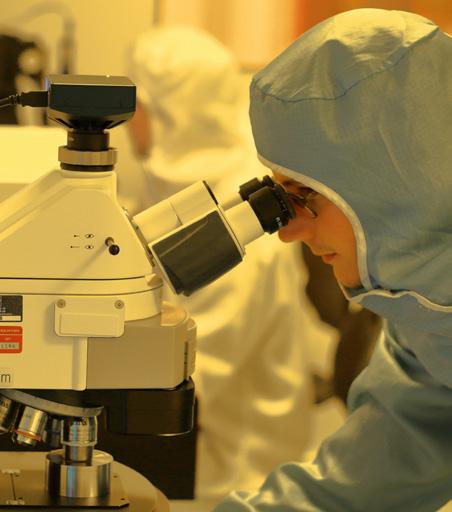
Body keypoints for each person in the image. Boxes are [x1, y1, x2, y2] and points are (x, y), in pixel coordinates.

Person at [213, 7, 452, 511]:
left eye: (305, 195)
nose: (289, 231)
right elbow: (366, 476)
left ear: (398, 182)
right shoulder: (426, 318)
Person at [126, 26, 337, 499]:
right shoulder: (178, 181)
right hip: (192, 453)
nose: (127, 121)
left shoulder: (240, 222)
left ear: (172, 110)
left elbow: (189, 377)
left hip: (234, 475)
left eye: (138, 104)